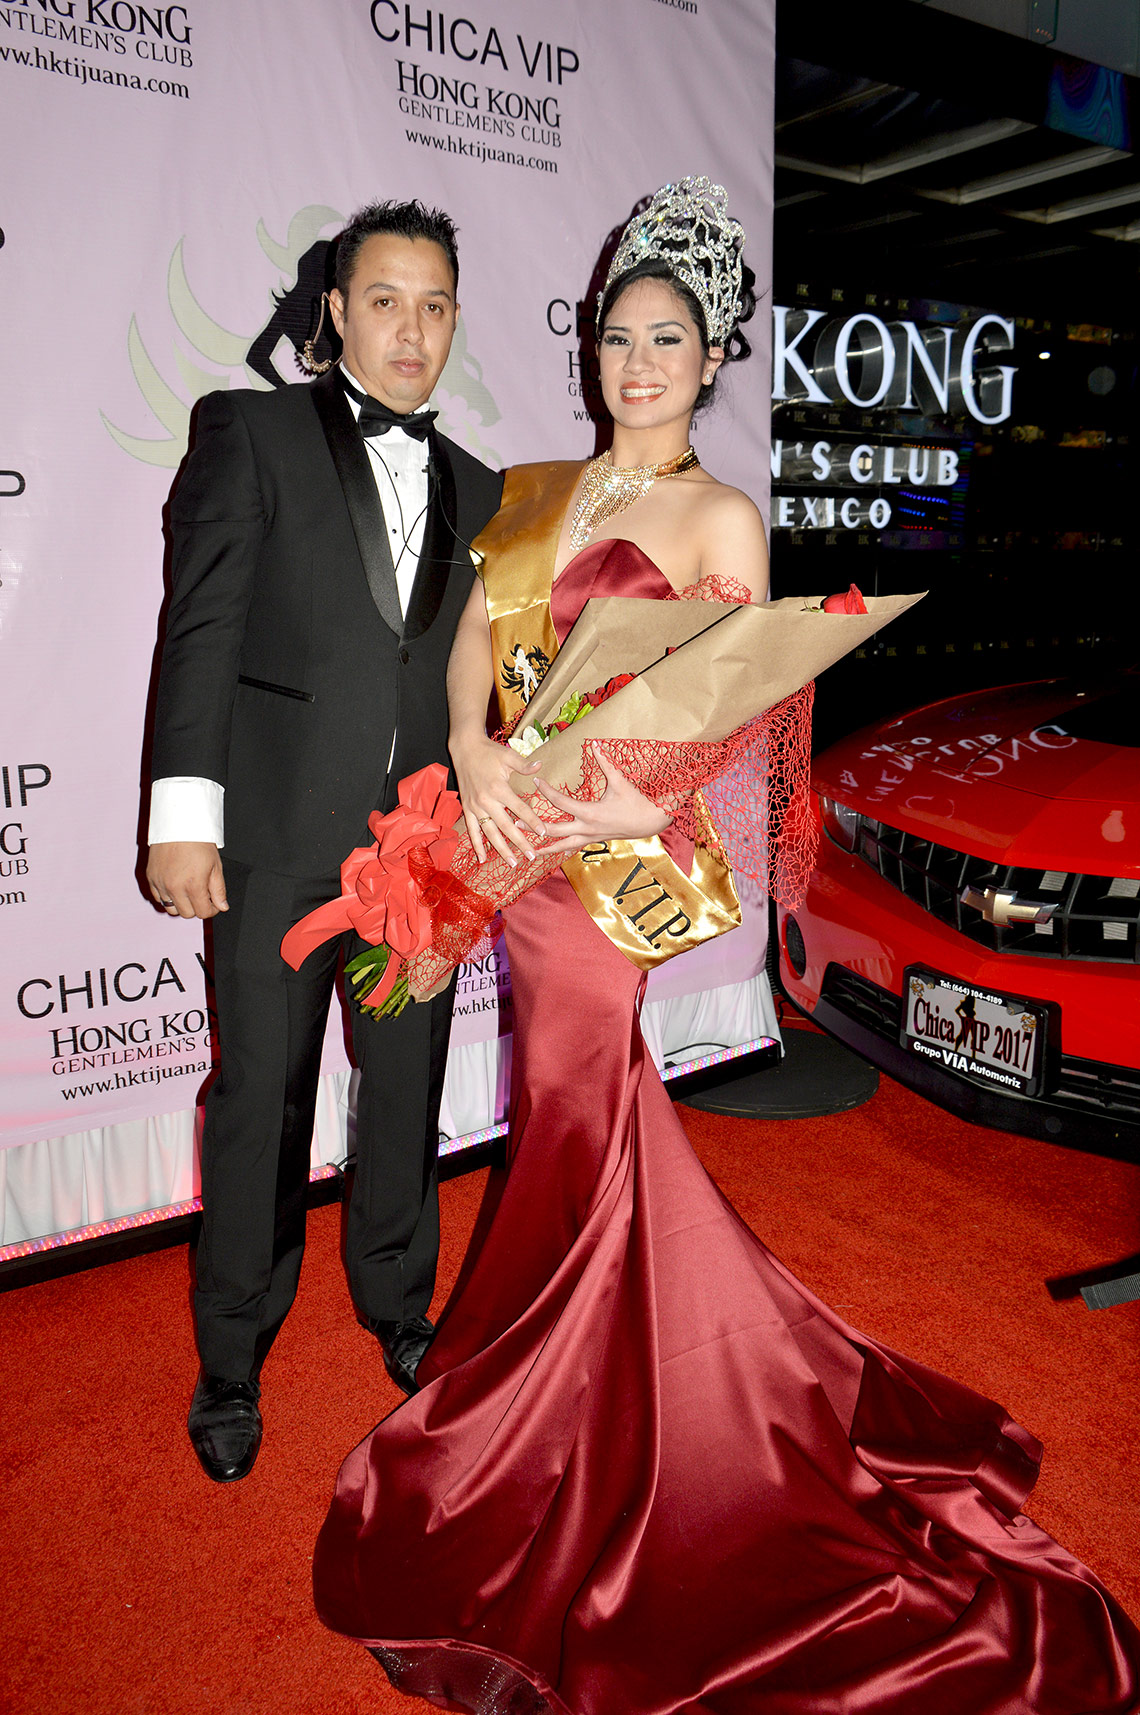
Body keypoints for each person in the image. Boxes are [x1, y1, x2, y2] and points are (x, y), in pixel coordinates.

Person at [312, 180, 1140, 1712]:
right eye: (618, 337)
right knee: (576, 1114)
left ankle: (561, 1406)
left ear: (709, 362)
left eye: (667, 342)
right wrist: (473, 750)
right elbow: (481, 637)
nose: (638, 363)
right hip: (516, 839)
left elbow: (726, 708)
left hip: (610, 865)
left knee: (576, 1104)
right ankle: (582, 1374)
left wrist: (604, 803)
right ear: (592, 351)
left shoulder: (721, 516)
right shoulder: (543, 490)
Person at [146, 199, 504, 1483]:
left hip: (421, 854)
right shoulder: (250, 433)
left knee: (405, 1087)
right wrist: (183, 817)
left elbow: (469, 667)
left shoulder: (483, 487)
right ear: (338, 311)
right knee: (263, 1097)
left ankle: (401, 1304)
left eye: (436, 305)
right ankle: (231, 1357)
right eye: (387, 301)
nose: (413, 330)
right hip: (273, 843)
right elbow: (199, 628)